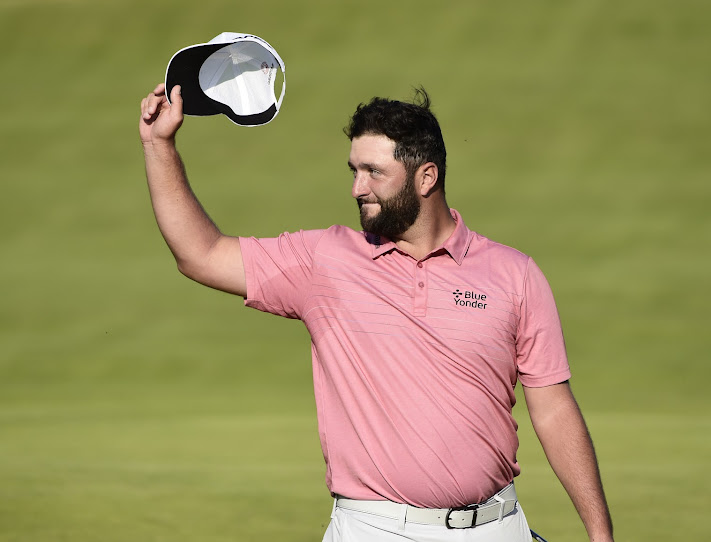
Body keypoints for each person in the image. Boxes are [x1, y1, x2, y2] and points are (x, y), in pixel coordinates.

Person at [139, 82, 615, 542]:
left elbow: (552, 408)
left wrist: (600, 533)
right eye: (353, 170)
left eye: (374, 172)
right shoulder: (325, 261)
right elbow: (200, 254)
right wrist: (160, 146)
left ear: (426, 177)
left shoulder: (515, 275)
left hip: (495, 527)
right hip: (372, 530)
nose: (356, 188)